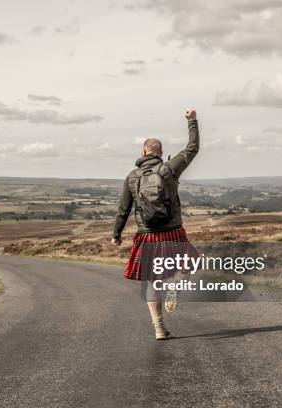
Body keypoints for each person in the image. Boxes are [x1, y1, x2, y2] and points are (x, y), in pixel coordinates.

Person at [112, 109, 200, 340]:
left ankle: (159, 328)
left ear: (143, 151)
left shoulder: (132, 176)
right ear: (161, 153)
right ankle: (176, 286)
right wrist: (192, 121)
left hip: (147, 235)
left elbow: (123, 209)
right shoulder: (169, 169)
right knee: (190, 261)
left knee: (153, 280)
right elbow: (193, 148)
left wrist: (116, 235)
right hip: (173, 232)